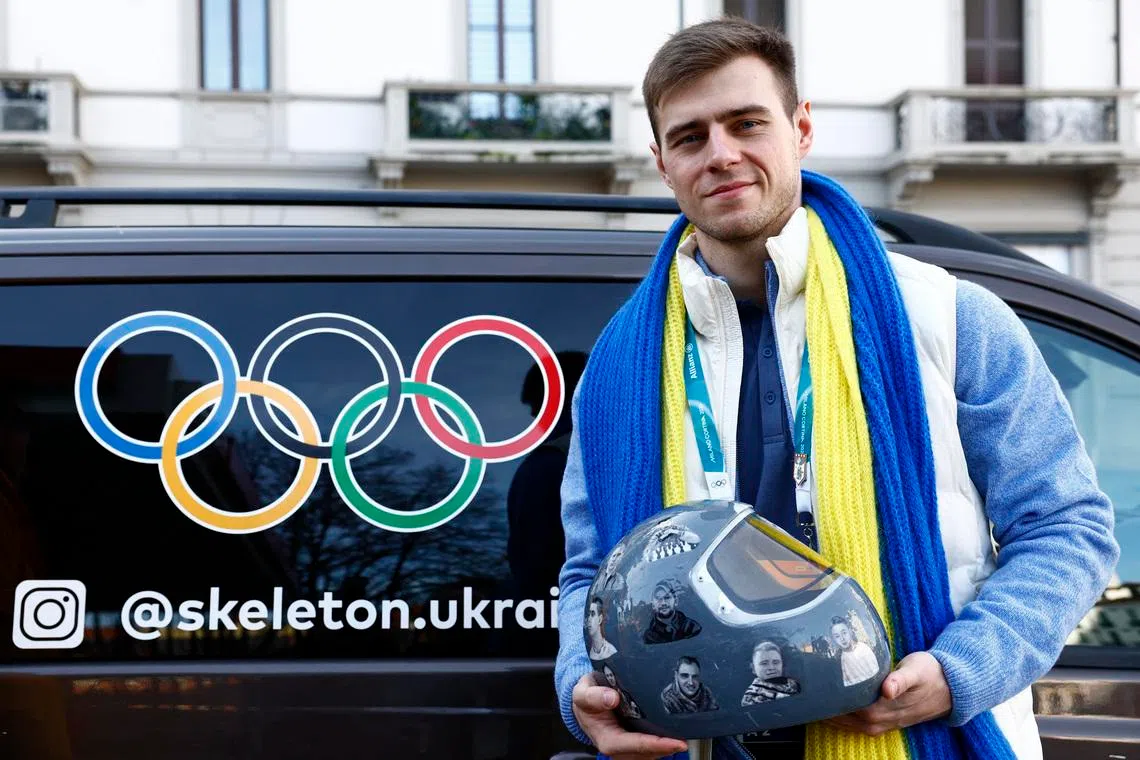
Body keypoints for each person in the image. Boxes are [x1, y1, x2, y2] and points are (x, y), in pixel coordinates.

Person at [554, 15, 1119, 760]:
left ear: (801, 129)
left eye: (747, 123)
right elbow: (592, 571)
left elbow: (1068, 527)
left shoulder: (949, 318)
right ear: (662, 163)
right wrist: (577, 685)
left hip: (914, 738)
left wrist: (961, 671)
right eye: (691, 137)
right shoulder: (616, 370)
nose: (722, 155)